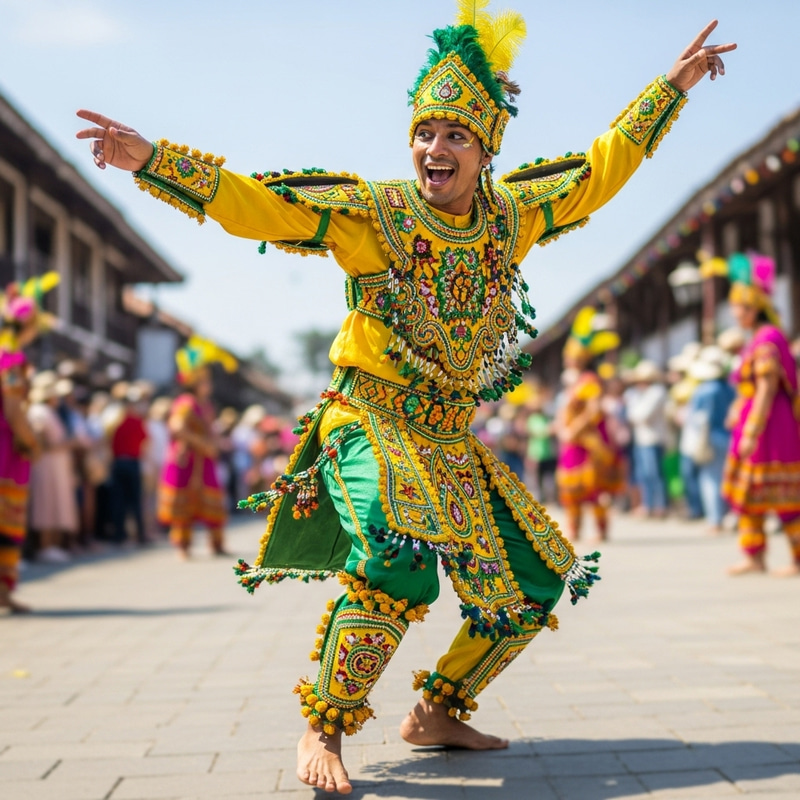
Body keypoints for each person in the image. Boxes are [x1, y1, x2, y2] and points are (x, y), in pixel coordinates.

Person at [76, 5, 735, 793]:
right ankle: (323, 728)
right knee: (397, 557)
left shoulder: (512, 218)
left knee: (535, 582)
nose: (435, 148)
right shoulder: (372, 216)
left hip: (451, 440)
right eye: (425, 133)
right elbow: (258, 202)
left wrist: (672, 87)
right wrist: (154, 159)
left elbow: (599, 169)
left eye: (456, 135)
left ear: (487, 149)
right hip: (371, 422)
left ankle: (437, 709)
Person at [719, 253, 800, 575]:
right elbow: (750, 389)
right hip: (757, 422)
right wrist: (737, 410)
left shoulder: (767, 339)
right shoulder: (758, 339)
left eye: (738, 307)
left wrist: (752, 430)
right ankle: (755, 555)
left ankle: (797, 559)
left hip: (771, 426)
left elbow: (766, 389)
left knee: (783, 495)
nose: (735, 313)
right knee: (748, 493)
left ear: (753, 306)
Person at [0, 273, 59, 611]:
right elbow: (12, 410)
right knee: (5, 522)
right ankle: (3, 590)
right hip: (6, 452)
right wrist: (32, 444)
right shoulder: (10, 360)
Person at [157, 336, 236, 560]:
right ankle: (182, 546)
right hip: (189, 459)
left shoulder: (206, 405)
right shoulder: (185, 403)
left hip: (204, 460)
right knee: (183, 505)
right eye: (204, 380)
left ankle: (217, 544)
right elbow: (176, 427)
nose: (208, 385)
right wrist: (202, 444)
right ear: (194, 382)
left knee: (213, 500)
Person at [555, 307, 623, 541]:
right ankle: (574, 529)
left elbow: (594, 411)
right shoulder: (573, 383)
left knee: (594, 487)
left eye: (570, 355)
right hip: (573, 442)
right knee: (571, 489)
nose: (567, 359)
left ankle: (601, 530)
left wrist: (574, 429)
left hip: (588, 441)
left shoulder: (589, 380)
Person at [684, 346, 735, 532]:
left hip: (710, 438)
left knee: (710, 480)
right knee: (727, 478)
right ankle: (730, 516)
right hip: (729, 437)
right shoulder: (730, 389)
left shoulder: (703, 390)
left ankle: (715, 520)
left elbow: (695, 418)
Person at [626, 359, 669, 518]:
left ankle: (660, 506)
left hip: (653, 440)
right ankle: (648, 505)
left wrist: (633, 410)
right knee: (644, 474)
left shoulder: (657, 392)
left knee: (655, 474)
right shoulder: (641, 394)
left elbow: (640, 415)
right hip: (642, 440)